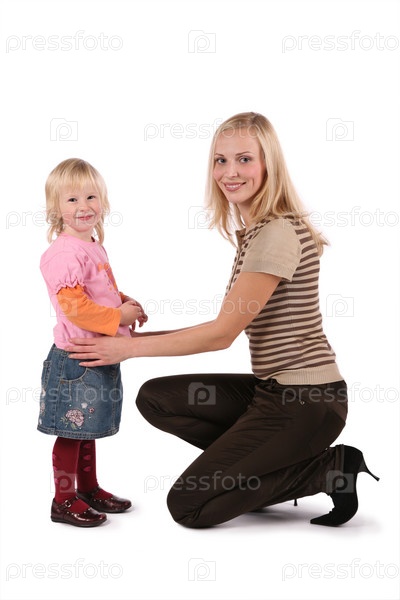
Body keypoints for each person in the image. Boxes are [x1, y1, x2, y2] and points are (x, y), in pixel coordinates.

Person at [67, 112, 379, 528]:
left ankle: (327, 470)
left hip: (308, 402)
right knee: (156, 398)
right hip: (273, 391)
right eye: (221, 160)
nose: (230, 172)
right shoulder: (257, 231)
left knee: (189, 506)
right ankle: (254, 475)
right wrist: (123, 340)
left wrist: (127, 349)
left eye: (244, 159)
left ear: (269, 164)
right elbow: (221, 322)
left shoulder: (276, 232)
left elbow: (221, 334)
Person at [38, 158, 148, 527]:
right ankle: (63, 499)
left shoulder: (92, 246)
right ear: (56, 208)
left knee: (86, 428)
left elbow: (99, 292)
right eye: (72, 200)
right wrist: (119, 317)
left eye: (91, 197)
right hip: (76, 358)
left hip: (98, 354)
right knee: (72, 431)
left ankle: (87, 488)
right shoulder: (64, 253)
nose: (83, 206)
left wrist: (125, 303)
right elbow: (76, 308)